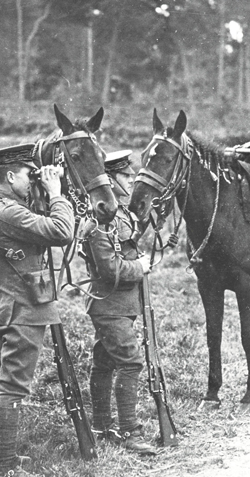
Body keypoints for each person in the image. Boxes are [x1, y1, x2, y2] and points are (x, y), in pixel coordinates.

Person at [0, 144, 74, 477]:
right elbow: (61, 231)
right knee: (13, 388)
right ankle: (4, 468)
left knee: (1, 382)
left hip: (6, 306)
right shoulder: (9, 213)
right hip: (22, 309)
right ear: (9, 176)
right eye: (27, 175)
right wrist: (56, 193)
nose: (32, 182)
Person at [79, 149, 156, 455]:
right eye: (126, 176)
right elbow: (111, 270)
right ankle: (130, 432)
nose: (131, 181)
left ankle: (100, 426)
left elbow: (130, 238)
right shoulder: (99, 223)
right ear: (110, 179)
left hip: (120, 306)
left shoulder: (119, 214)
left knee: (104, 362)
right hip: (109, 305)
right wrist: (141, 268)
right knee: (131, 362)